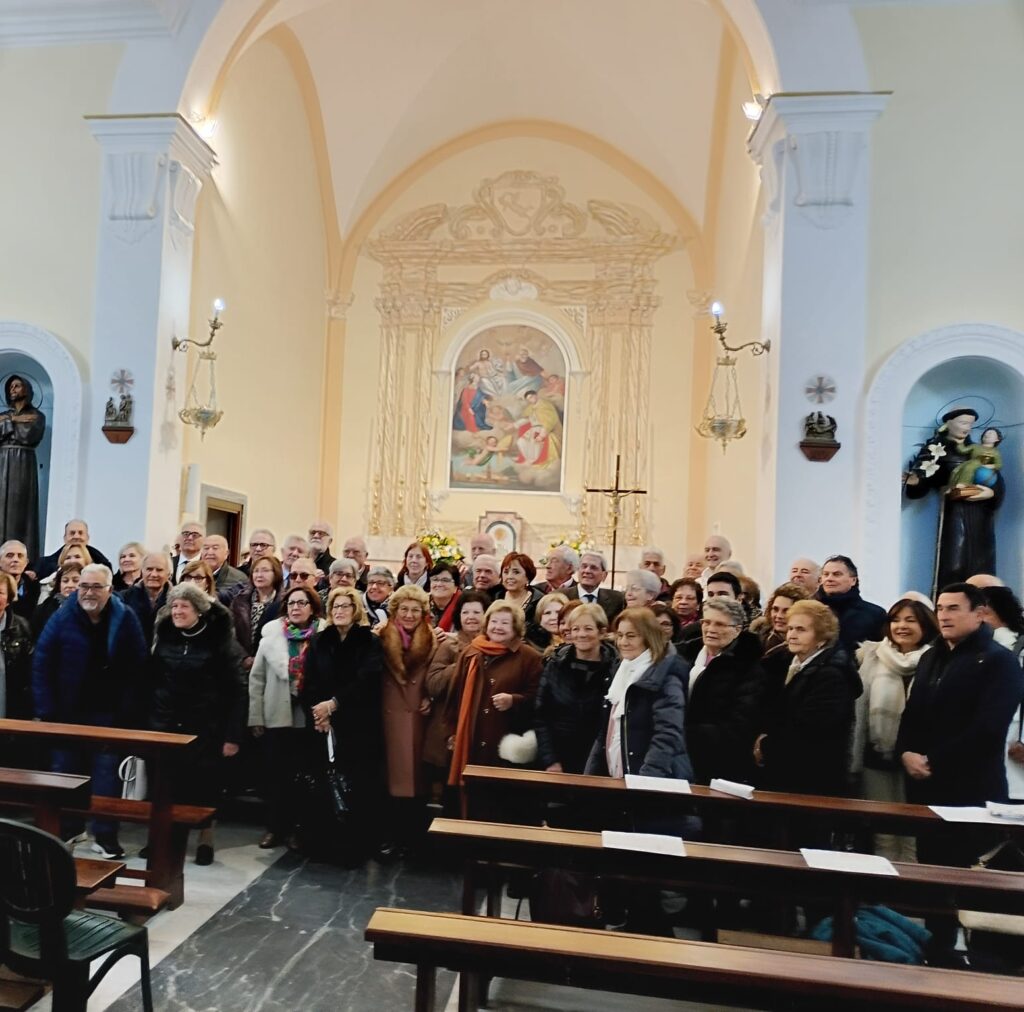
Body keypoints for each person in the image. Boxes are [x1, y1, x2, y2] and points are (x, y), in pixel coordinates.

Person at [896, 583, 1024, 965]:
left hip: (971, 787)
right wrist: (905, 751)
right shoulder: (933, 655)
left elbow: (988, 728)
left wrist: (931, 759)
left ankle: (976, 958)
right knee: (931, 873)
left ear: (979, 613)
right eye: (940, 608)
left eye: (954, 608)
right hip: (925, 785)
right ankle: (936, 948)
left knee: (969, 876)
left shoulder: (998, 660)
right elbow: (912, 712)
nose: (944, 615)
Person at [586, 607, 693, 935]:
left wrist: (644, 780)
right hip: (621, 778)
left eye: (631, 635)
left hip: (650, 783)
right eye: (620, 635)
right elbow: (608, 728)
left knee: (646, 863)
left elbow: (668, 733)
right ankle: (629, 924)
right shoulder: (625, 669)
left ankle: (652, 936)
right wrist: (592, 773)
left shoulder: (664, 673)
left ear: (650, 637)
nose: (623, 641)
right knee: (623, 859)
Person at [32, 564, 147, 858]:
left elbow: (138, 668)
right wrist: (46, 710)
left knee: (106, 777)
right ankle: (70, 827)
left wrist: (128, 712)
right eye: (84, 586)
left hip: (109, 715)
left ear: (109, 590)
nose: (88, 592)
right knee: (65, 773)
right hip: (66, 713)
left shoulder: (125, 618)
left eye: (96, 587)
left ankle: (105, 836)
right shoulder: (62, 617)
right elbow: (42, 663)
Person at [150, 583, 248, 865]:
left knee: (204, 786)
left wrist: (233, 735)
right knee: (166, 785)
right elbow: (154, 677)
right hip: (166, 723)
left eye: (185, 606)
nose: (178, 611)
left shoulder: (220, 641)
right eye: (175, 606)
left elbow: (237, 690)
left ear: (199, 611)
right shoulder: (166, 634)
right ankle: (163, 839)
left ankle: (206, 837)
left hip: (206, 727)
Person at [851, 597, 939, 861]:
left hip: (919, 760)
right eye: (896, 620)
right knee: (883, 830)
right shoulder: (872, 655)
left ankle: (911, 891)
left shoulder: (936, 658)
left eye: (911, 620)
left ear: (925, 624)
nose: (902, 626)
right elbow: (859, 709)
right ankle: (885, 891)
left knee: (915, 831)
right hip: (877, 756)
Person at [302, 586, 384, 859]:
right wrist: (319, 713)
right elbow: (310, 679)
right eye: (335, 607)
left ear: (355, 610)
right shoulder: (319, 640)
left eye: (345, 606)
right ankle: (321, 845)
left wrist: (334, 704)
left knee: (356, 785)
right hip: (323, 724)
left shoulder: (368, 641)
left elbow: (367, 680)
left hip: (357, 723)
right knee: (322, 783)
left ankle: (352, 848)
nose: (339, 611)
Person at [753, 600, 862, 799]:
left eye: (801, 630)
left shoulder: (832, 675)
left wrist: (767, 745)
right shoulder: (783, 662)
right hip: (783, 768)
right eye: (791, 628)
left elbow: (814, 727)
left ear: (821, 638)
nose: (792, 634)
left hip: (813, 774)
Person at [248, 583, 324, 850]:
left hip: (309, 717)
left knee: (304, 776)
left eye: (302, 603)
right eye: (291, 603)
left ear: (313, 608)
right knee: (276, 777)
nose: (296, 608)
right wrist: (255, 717)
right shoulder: (271, 638)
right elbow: (256, 679)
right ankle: (275, 828)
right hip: (276, 715)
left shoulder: (323, 636)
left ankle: (300, 830)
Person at [445, 600, 543, 784]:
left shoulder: (530, 657)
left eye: (505, 623)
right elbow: (454, 695)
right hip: (470, 737)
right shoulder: (471, 652)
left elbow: (538, 697)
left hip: (505, 741)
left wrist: (514, 700)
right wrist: (451, 731)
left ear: (516, 627)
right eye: (494, 622)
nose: (498, 627)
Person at [905, 409, 1004, 590]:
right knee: (954, 560)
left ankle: (983, 606)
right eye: (963, 422)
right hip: (955, 510)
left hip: (980, 513)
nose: (967, 427)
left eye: (970, 424)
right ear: (949, 423)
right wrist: (915, 481)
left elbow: (994, 476)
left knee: (981, 561)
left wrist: (992, 492)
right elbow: (922, 485)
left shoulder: (976, 450)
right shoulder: (936, 450)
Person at [378, 584, 436, 858]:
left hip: (418, 718)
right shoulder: (380, 637)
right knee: (389, 779)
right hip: (387, 716)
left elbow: (437, 676)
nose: (410, 615)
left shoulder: (435, 640)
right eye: (404, 609)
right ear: (395, 611)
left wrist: (431, 698)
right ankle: (390, 837)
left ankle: (412, 840)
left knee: (416, 781)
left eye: (415, 610)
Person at [686, 599, 764, 786]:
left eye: (720, 624)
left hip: (720, 762)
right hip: (682, 755)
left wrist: (686, 734)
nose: (710, 629)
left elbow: (740, 723)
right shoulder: (684, 653)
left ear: (737, 629)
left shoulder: (749, 667)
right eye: (706, 622)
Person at [535, 603, 616, 774]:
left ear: (601, 632)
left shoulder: (615, 669)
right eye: (576, 629)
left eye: (588, 628)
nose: (581, 634)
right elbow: (541, 716)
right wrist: (550, 760)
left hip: (601, 762)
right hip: (559, 759)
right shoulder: (555, 665)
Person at [424, 591, 490, 787]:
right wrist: (462, 663)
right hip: (449, 726)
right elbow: (433, 684)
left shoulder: (496, 646)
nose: (470, 617)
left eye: (476, 612)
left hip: (481, 726)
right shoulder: (449, 645)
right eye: (465, 612)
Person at [0, 374, 46, 559]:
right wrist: (15, 421)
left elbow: (29, 437)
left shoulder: (37, 415)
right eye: (10, 387)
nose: (13, 389)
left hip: (23, 462)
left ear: (26, 389)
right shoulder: (4, 415)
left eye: (17, 386)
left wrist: (7, 424)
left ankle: (21, 555)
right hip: (2, 460)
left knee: (20, 507)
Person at [815, 555, 886, 655]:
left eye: (837, 574)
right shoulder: (810, 611)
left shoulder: (875, 614)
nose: (829, 578)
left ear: (853, 580)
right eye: (826, 574)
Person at [231, 555, 283, 667]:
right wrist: (244, 658)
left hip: (271, 664)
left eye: (265, 571)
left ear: (276, 573)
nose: (259, 575)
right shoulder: (240, 601)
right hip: (241, 664)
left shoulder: (284, 603)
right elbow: (230, 634)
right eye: (256, 571)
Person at [752, 582, 808, 679]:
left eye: (786, 611)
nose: (778, 616)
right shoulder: (756, 639)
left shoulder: (804, 649)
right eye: (775, 609)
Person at [0, 571, 33, 725]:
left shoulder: (21, 626)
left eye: (0, 592)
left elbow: (29, 671)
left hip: (11, 707)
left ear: (8, 599)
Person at [31, 519, 112, 582]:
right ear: (65, 538)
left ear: (87, 538)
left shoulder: (103, 565)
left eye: (80, 533)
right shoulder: (44, 565)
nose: (76, 536)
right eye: (72, 533)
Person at [121, 552, 172, 644]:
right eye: (149, 569)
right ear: (142, 571)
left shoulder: (177, 600)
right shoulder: (124, 598)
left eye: (159, 570)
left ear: (168, 574)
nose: (153, 574)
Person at [566, 551, 625, 623]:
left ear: (604, 575)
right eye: (584, 566)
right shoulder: (563, 596)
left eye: (593, 568)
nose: (587, 571)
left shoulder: (616, 599)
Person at [31, 561, 83, 639]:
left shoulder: (91, 610)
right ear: (59, 584)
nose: (70, 585)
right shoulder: (42, 610)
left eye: (75, 581)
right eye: (65, 581)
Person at [496, 551, 543, 625]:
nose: (509, 576)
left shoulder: (539, 601)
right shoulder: (495, 597)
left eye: (516, 572)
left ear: (528, 576)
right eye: (506, 572)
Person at [1, 540, 40, 621]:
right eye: (10, 555)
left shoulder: (34, 587)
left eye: (20, 556)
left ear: (26, 563)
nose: (15, 559)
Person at [428, 560, 462, 632]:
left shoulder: (463, 607)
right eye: (435, 579)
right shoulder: (421, 604)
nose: (439, 584)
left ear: (455, 587)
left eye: (445, 580)